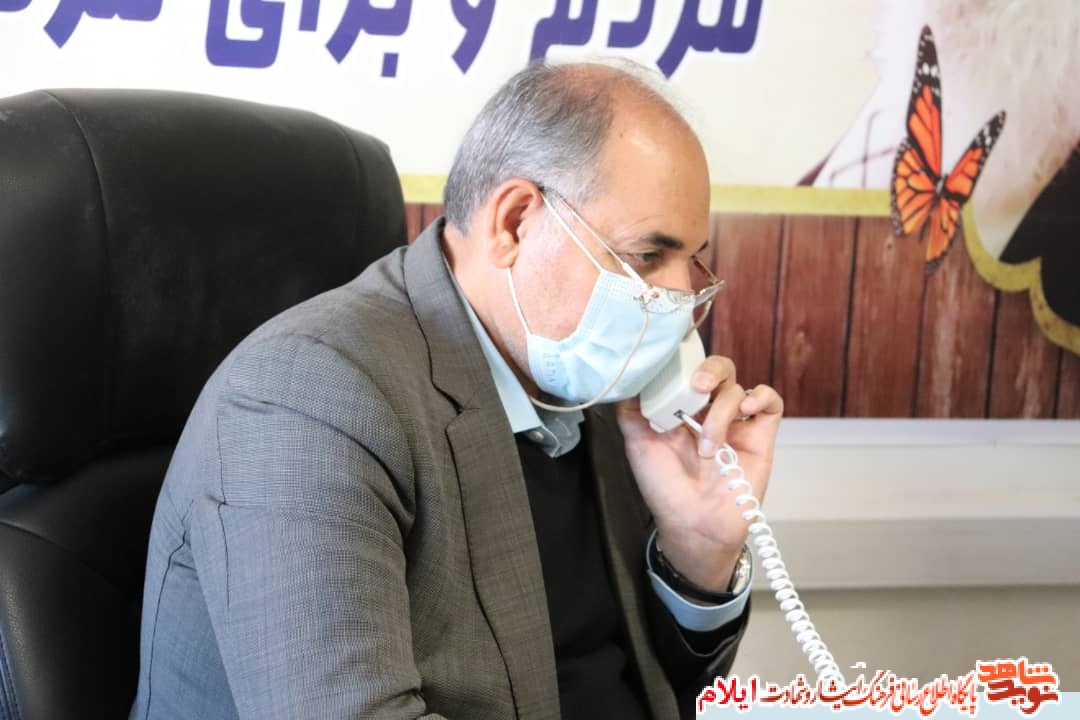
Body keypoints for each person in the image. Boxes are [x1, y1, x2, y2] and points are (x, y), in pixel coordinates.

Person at [130, 60, 782, 720]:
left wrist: (699, 550)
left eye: (691, 259)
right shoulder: (306, 397)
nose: (678, 299)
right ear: (516, 222)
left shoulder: (600, 382)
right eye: (647, 256)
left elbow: (665, 692)